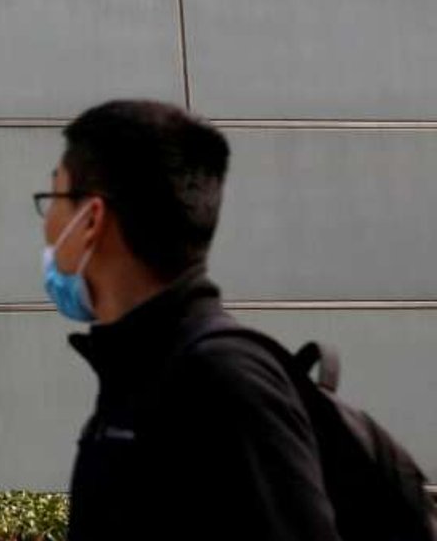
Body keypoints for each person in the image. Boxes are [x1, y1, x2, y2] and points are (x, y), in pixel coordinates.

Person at [36, 99, 340, 541]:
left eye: (54, 198)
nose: (47, 225)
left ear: (91, 219)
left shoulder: (225, 383)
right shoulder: (140, 375)